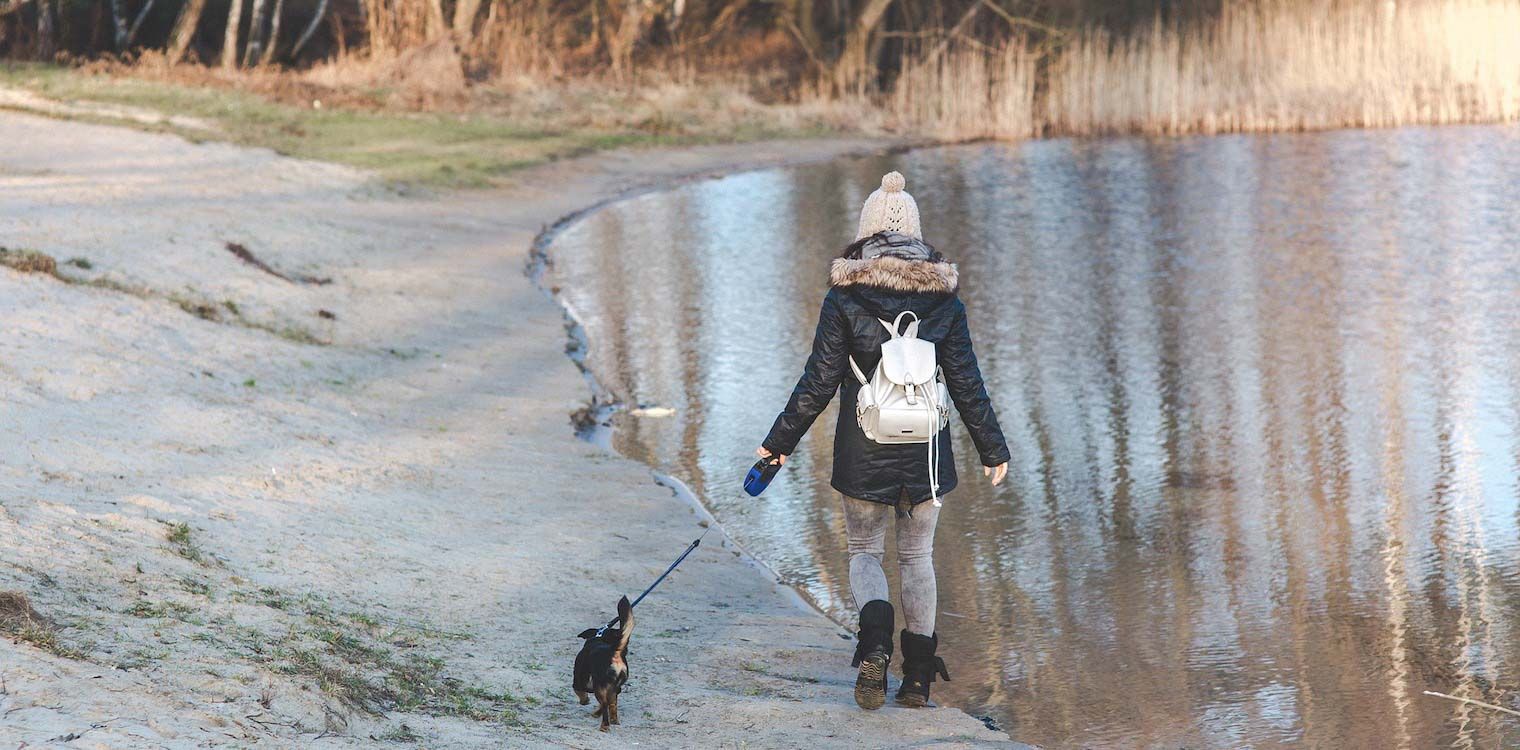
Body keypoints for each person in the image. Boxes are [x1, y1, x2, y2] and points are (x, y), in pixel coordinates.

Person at [757, 171, 1010, 710]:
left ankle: (874, 642)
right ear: (916, 237)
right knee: (918, 557)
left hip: (863, 447)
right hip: (928, 453)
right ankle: (917, 680)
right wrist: (993, 448)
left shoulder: (844, 297)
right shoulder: (945, 301)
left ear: (865, 234)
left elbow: (819, 381)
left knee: (866, 551)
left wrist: (779, 443)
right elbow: (966, 380)